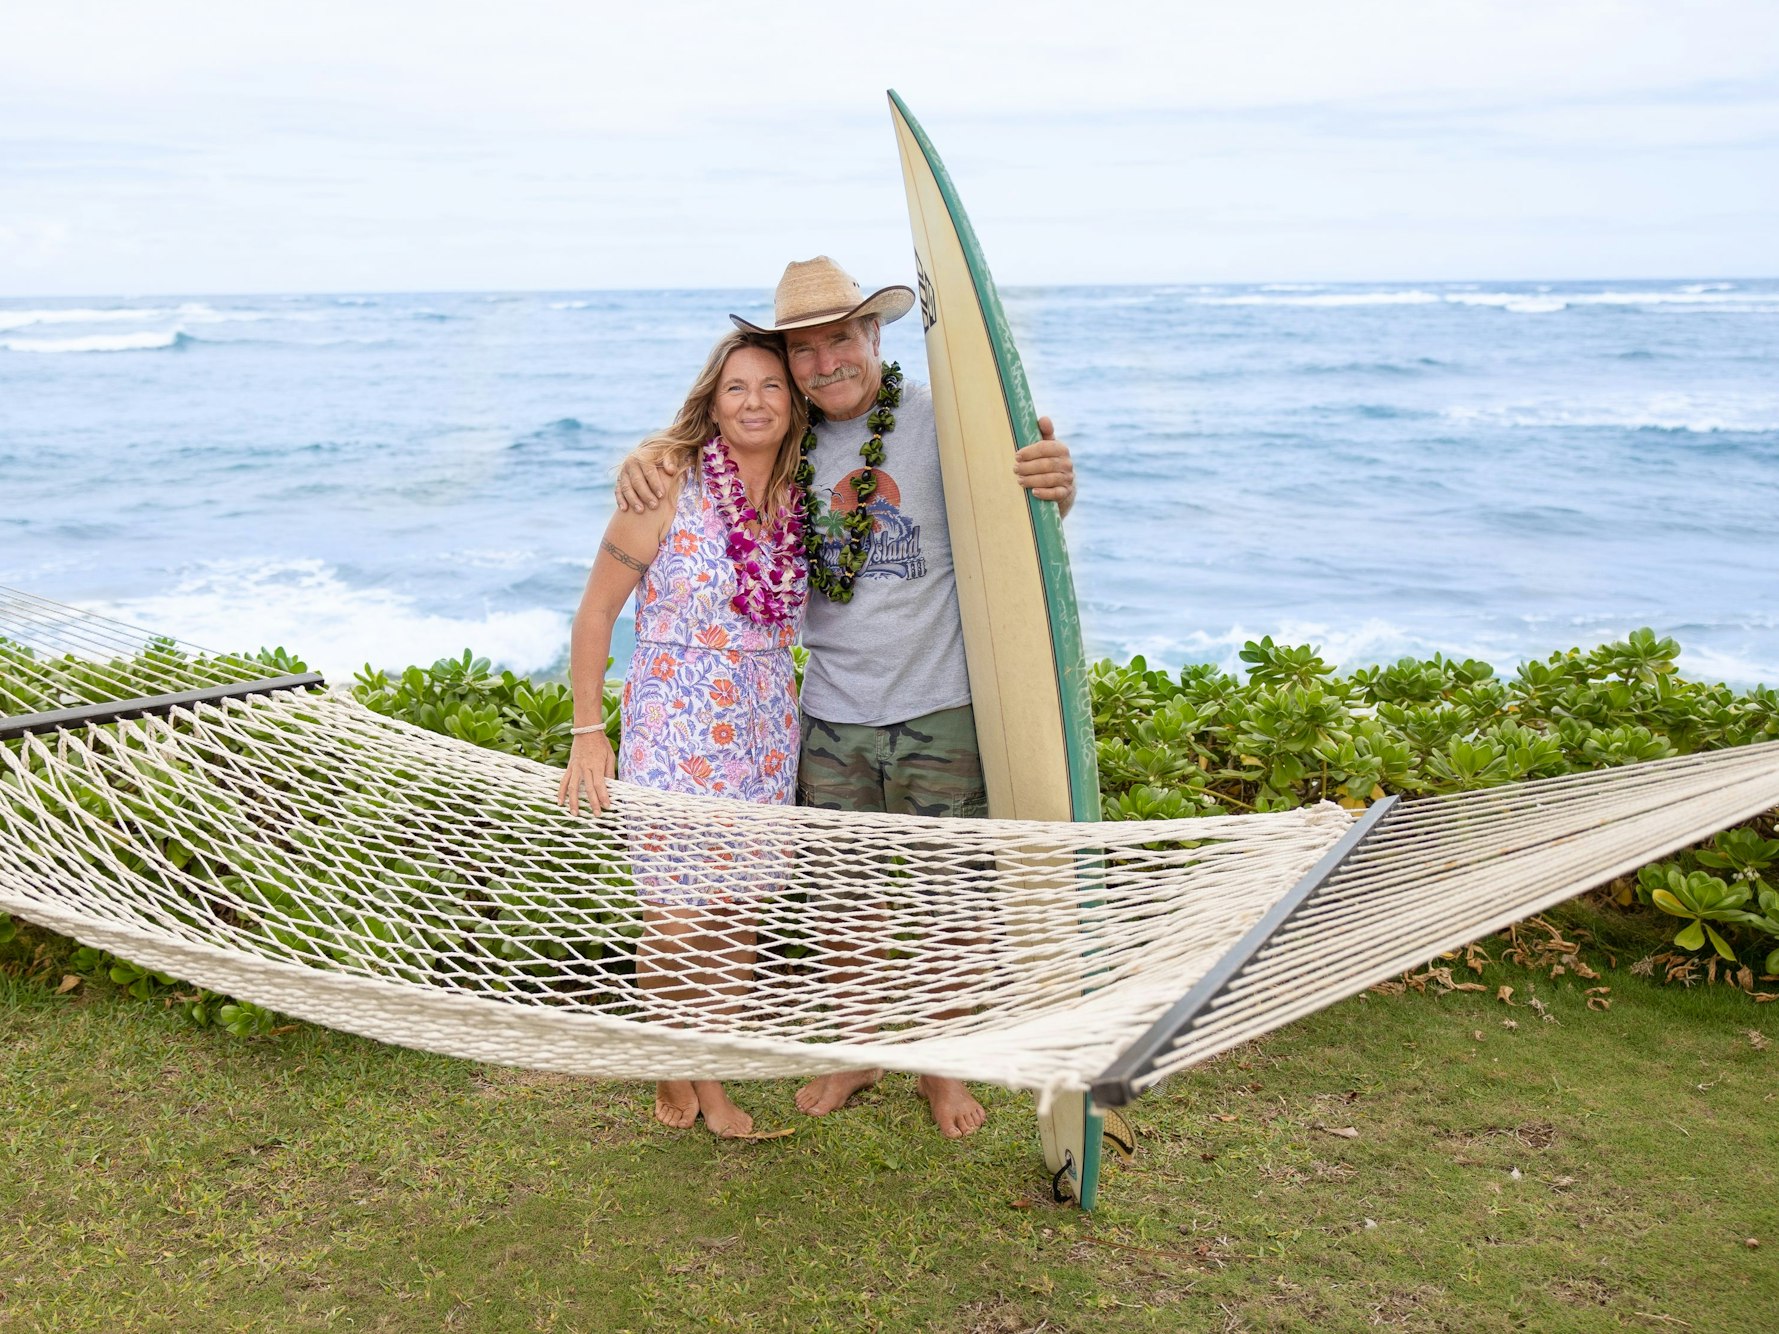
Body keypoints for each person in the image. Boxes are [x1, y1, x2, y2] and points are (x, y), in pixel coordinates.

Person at [615, 257, 1076, 1138]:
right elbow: (697, 468)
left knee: (951, 907)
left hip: (940, 702)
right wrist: (646, 457)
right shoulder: (780, 444)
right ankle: (858, 1049)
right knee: (843, 908)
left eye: (842, 339)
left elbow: (1024, 524)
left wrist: (1058, 482)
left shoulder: (947, 424)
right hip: (824, 712)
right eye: (805, 350)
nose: (825, 363)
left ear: (875, 336)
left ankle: (939, 1071)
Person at [560, 329, 809, 1139]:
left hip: (765, 724)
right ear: (711, 399)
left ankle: (702, 1055)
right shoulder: (666, 481)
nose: (754, 402)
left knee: (737, 912)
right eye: (737, 387)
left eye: (771, 386)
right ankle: (695, 1075)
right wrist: (588, 731)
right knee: (675, 914)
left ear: (793, 401)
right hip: (675, 721)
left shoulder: (801, 492)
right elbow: (597, 612)